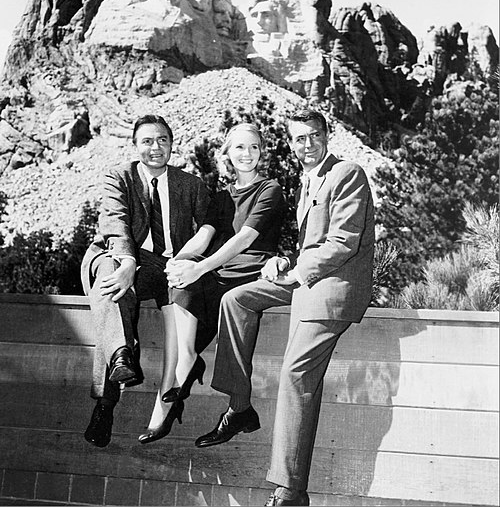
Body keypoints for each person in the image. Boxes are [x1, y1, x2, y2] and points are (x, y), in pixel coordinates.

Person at [195, 109, 375, 507]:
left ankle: (290, 490)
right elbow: (310, 243)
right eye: (298, 139)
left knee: (295, 375)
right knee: (237, 298)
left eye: (313, 136)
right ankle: (239, 406)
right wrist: (282, 262)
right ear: (290, 143)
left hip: (333, 289)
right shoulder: (306, 181)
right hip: (306, 280)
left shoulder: (347, 173)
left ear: (327, 135)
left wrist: (298, 274)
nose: (306, 145)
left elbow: (343, 242)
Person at [139, 122, 286, 443]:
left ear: (262, 153)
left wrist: (198, 268)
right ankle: (188, 360)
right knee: (180, 275)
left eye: (254, 147)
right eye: (239, 148)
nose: (247, 154)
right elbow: (203, 236)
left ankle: (202, 384)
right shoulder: (221, 197)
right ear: (227, 155)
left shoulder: (270, 189)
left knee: (194, 278)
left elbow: (244, 240)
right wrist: (180, 261)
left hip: (251, 269)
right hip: (219, 271)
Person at [81, 114, 210, 448]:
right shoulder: (119, 177)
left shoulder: (190, 184)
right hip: (118, 253)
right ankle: (110, 391)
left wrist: (186, 261)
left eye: (163, 140)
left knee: (113, 297)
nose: (156, 148)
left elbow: (210, 227)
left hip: (164, 266)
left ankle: (118, 365)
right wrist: (126, 260)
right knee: (111, 281)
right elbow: (115, 221)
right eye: (148, 141)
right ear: (135, 145)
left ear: (171, 144)